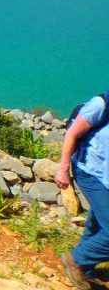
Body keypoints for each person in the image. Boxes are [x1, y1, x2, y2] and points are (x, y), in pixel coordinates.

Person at [56, 93, 109, 290]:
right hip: (90, 172)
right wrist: (63, 170)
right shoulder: (101, 105)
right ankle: (77, 261)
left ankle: (83, 268)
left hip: (106, 177)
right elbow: (71, 134)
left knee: (99, 223)